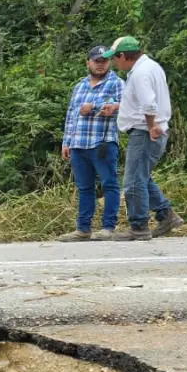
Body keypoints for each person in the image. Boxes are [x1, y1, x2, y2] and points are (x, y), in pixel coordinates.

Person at [100, 36, 184, 241]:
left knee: (133, 181)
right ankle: (166, 215)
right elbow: (143, 101)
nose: (114, 63)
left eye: (115, 58)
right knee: (142, 177)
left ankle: (138, 226)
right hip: (148, 129)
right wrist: (119, 107)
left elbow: (149, 104)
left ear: (122, 56)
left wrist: (151, 126)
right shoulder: (150, 67)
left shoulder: (140, 73)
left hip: (145, 132)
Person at [58, 45, 123, 242]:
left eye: (104, 61)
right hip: (79, 143)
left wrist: (94, 108)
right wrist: (66, 142)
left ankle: (108, 227)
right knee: (84, 187)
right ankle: (83, 228)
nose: (100, 65)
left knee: (109, 184)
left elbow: (127, 108)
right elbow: (71, 115)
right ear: (89, 62)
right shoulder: (79, 86)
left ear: (109, 62)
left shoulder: (117, 83)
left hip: (102, 142)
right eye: (97, 61)